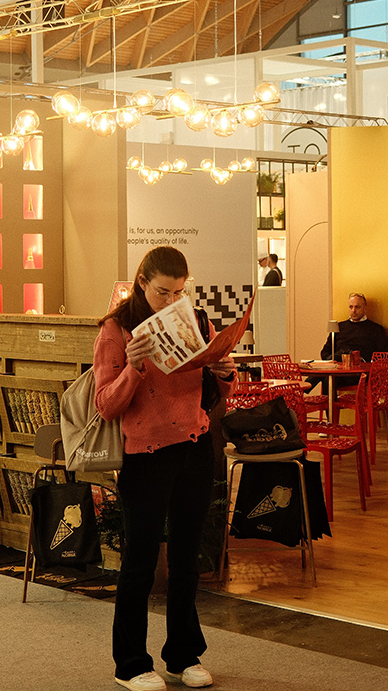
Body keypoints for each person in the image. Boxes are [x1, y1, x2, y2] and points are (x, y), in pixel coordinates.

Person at [93, 246, 235, 691]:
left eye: (179, 292)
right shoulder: (116, 330)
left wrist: (226, 371)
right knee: (139, 561)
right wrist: (134, 367)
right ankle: (130, 663)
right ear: (142, 283)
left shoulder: (197, 321)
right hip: (146, 453)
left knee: (187, 559)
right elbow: (106, 405)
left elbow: (215, 393)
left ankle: (183, 655)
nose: (171, 301)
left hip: (194, 445)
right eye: (162, 292)